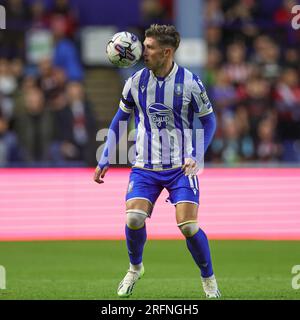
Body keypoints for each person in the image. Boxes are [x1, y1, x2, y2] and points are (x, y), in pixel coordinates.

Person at [94, 24, 221, 298]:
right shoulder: (135, 82)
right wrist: (106, 155)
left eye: (149, 47)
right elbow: (120, 120)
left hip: (180, 166)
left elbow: (209, 121)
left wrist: (196, 154)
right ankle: (135, 267)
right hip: (145, 167)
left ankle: (208, 280)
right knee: (134, 218)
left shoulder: (190, 82)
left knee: (188, 226)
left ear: (166, 52)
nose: (142, 51)